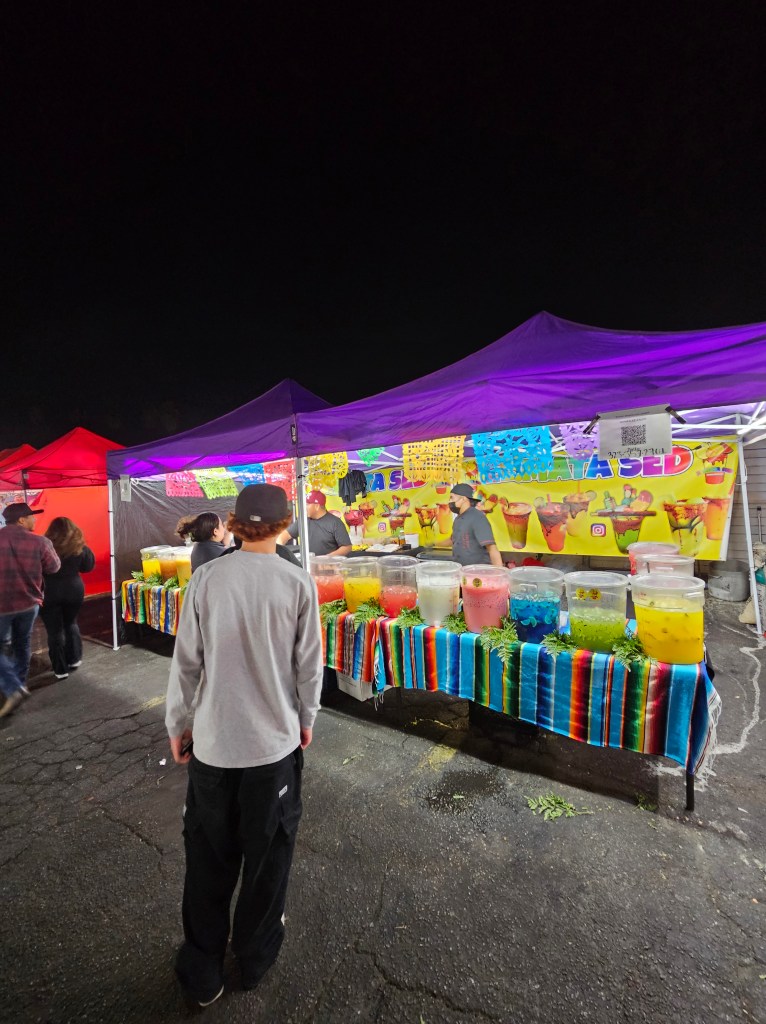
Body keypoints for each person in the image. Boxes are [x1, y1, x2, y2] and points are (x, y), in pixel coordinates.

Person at [165, 483, 323, 1006]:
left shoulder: (207, 578)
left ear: (232, 523)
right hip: (272, 748)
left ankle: (202, 971)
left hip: (213, 746)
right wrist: (306, 719)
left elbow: (186, 663)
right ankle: (253, 960)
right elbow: (309, 666)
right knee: (266, 861)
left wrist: (177, 724)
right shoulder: (296, 581)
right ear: (285, 525)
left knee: (207, 860)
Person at [0, 502, 61, 718]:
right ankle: (18, 684)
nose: (34, 520)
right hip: (29, 604)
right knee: (22, 644)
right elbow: (54, 567)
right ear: (21, 520)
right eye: (31, 516)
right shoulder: (40, 542)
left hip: (2, 607)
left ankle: (13, 688)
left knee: (5, 646)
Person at [40, 517, 96, 680]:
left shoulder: (43, 547)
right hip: (73, 590)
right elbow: (88, 567)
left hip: (49, 591)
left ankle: (60, 669)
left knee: (54, 630)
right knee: (71, 623)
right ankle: (74, 659)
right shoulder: (79, 546)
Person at [277, 490, 352, 557]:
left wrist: (327, 558)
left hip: (328, 565)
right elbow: (284, 535)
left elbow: (347, 547)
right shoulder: (303, 520)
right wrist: (279, 551)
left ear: (317, 506)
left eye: (308, 504)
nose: (305, 507)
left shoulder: (335, 522)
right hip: (307, 565)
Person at [448, 483, 503, 567]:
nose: (449, 501)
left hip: (479, 571)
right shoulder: (457, 519)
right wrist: (433, 543)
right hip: (461, 569)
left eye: (452, 497)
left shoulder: (477, 517)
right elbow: (453, 539)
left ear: (463, 499)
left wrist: (499, 572)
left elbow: (492, 549)